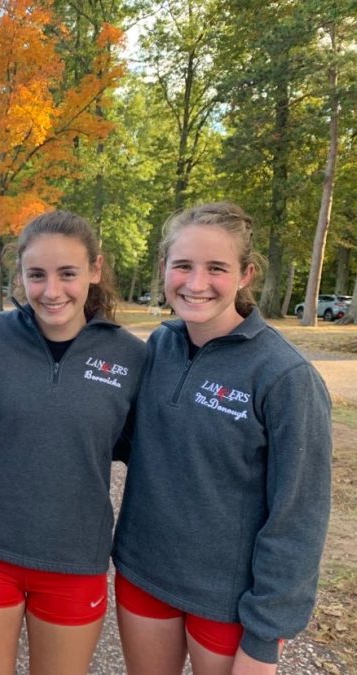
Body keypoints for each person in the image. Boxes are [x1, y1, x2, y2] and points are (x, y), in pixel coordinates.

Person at [112, 202, 332, 675]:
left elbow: (299, 517)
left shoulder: (285, 376)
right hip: (143, 575)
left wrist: (264, 635)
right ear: (165, 269)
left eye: (216, 268)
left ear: (245, 274)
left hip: (226, 601)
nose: (196, 283)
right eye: (183, 266)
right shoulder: (161, 346)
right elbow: (124, 440)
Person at [0, 210, 147, 674]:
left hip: (76, 558)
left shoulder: (131, 356)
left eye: (68, 274)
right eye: (36, 275)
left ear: (95, 271)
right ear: (20, 274)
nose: (51, 291)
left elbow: (135, 448)